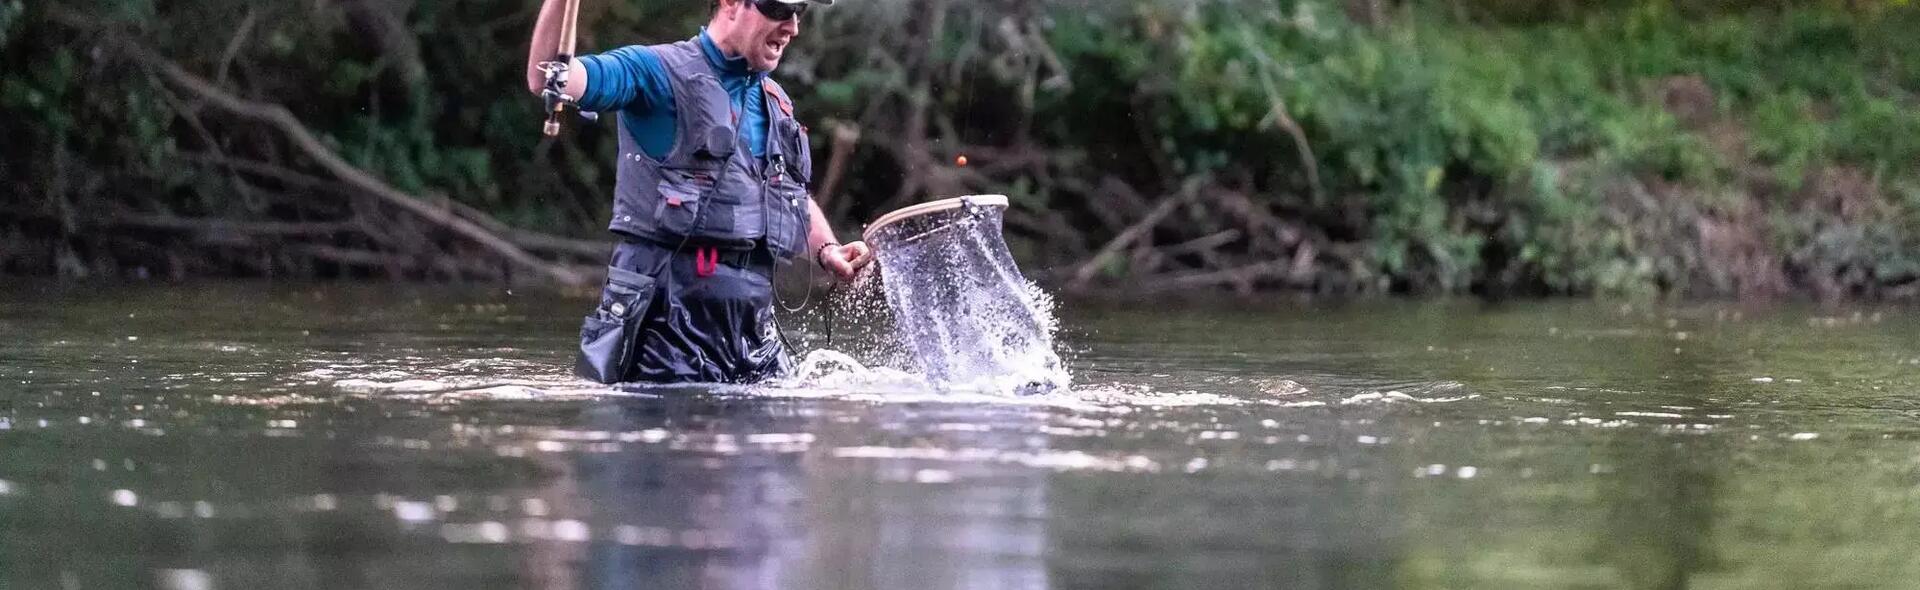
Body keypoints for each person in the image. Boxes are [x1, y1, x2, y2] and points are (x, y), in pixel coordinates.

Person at [525, 0, 871, 384]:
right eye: (779, 9)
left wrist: (828, 250)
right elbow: (551, 78)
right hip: (661, 333)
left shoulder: (777, 103)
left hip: (751, 336)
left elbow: (789, 194)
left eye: (799, 13)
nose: (792, 27)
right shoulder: (650, 73)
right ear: (730, 3)